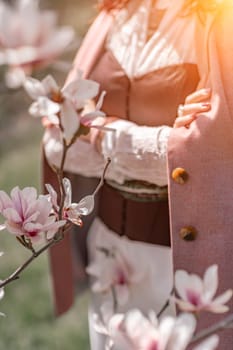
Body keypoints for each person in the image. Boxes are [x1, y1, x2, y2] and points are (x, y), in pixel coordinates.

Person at [42, 0, 233, 349]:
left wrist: (97, 131)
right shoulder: (112, 17)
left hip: (180, 262)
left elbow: (208, 160)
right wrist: (162, 140)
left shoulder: (220, 23)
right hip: (109, 251)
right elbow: (58, 143)